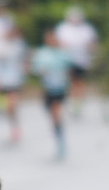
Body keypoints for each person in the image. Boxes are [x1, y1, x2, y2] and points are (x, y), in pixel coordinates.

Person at [30, 31, 75, 160]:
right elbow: (36, 70)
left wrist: (69, 86)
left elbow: (69, 70)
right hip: (48, 89)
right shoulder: (42, 54)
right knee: (52, 115)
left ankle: (60, 138)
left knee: (56, 114)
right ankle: (58, 134)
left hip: (60, 88)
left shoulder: (63, 54)